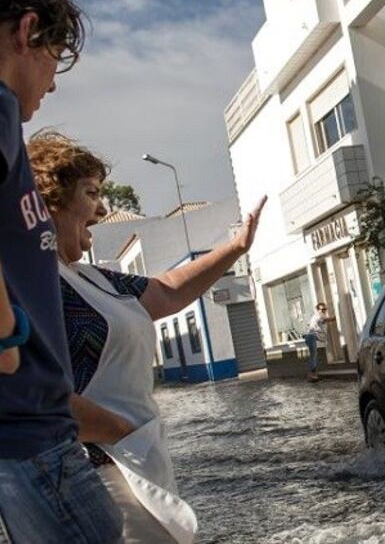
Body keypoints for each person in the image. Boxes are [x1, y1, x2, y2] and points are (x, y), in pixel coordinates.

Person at [27, 131, 267, 543]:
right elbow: (29, 391)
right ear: (51, 200)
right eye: (90, 192)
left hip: (135, 464)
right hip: (94, 474)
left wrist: (236, 247)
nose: (102, 209)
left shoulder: (90, 278)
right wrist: (117, 430)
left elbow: (168, 290)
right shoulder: (32, 281)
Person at [0, 0, 126, 543]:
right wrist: (3, 336)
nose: (53, 81)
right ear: (27, 30)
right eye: (55, 57)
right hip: (29, 443)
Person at [302, 302, 334, 382]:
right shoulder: (319, 316)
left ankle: (313, 375)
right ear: (317, 310)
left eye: (325, 309)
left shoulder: (314, 317)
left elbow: (310, 324)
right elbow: (328, 319)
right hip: (312, 336)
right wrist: (337, 317)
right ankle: (311, 375)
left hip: (311, 336)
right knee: (314, 356)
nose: (324, 311)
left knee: (313, 355)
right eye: (322, 309)